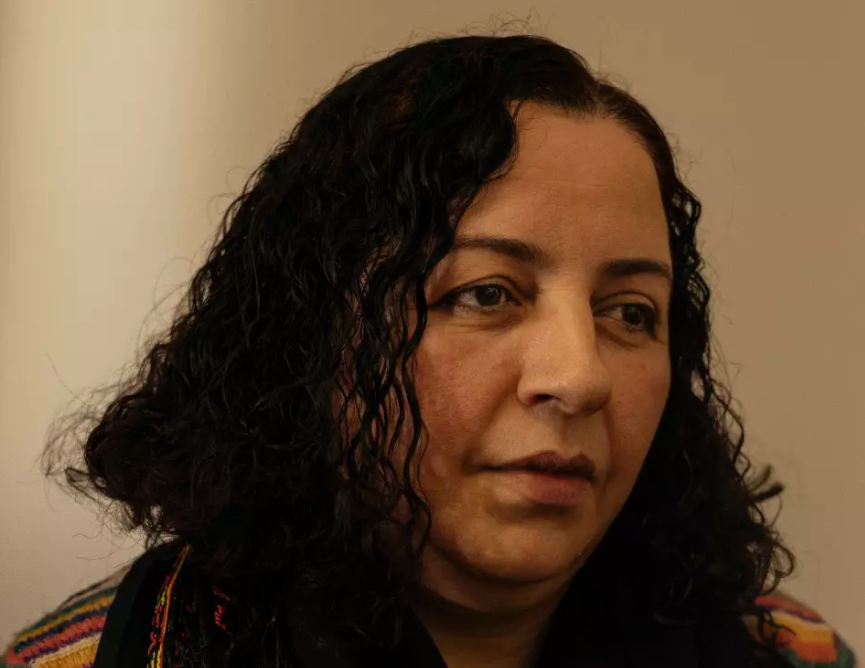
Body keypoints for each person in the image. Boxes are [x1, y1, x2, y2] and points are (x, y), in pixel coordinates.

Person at [1, 33, 857, 668]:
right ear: (312, 336)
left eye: (629, 313)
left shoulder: (793, 655)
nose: (578, 376)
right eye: (486, 294)